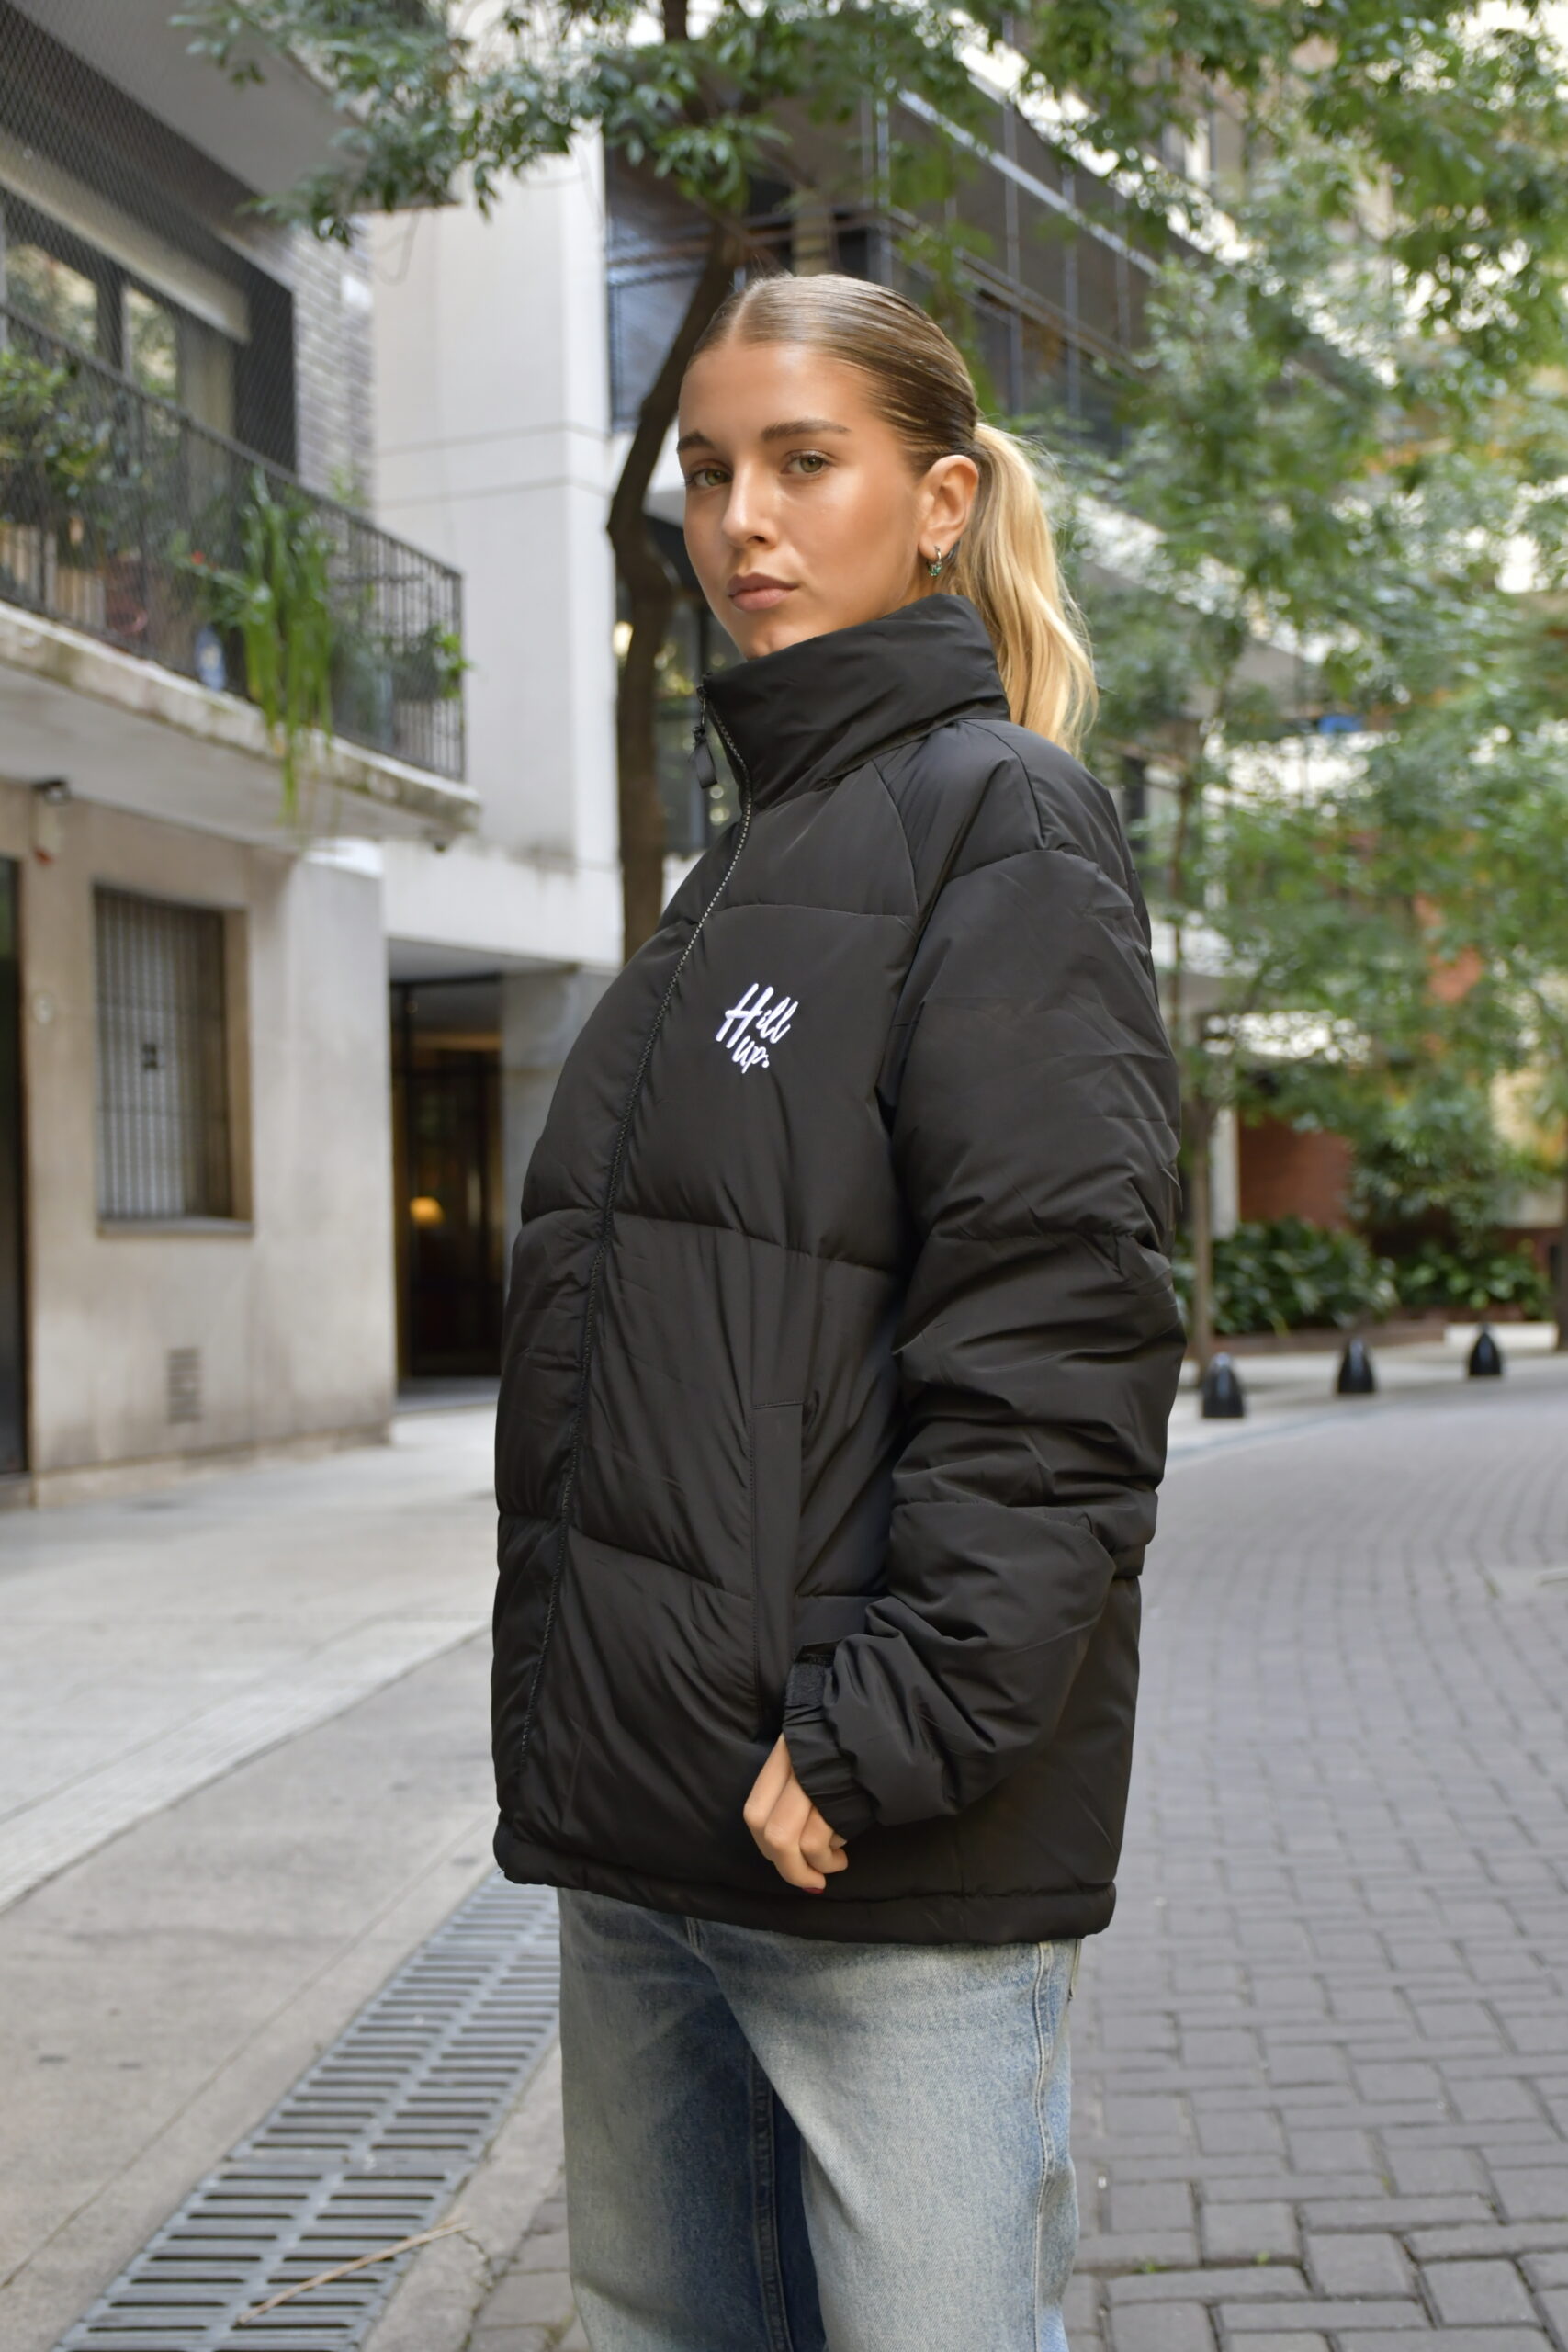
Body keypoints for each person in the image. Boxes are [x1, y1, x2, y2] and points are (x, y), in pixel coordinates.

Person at [492, 272, 1184, 2351]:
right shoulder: (744, 865)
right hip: (653, 1837)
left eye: (806, 462)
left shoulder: (1003, 820)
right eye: (711, 471)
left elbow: (1059, 1334)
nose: (743, 520)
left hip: (866, 1842)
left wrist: (887, 1729)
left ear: (942, 499)